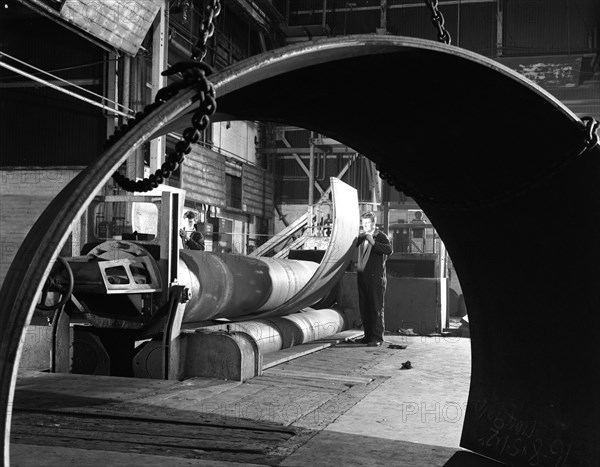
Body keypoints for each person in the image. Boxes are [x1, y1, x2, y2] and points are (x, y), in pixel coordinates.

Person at [354, 211, 393, 346]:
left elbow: (389, 250)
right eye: (363, 223)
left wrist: (374, 243)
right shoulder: (362, 237)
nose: (364, 226)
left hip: (375, 279)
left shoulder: (380, 236)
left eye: (367, 223)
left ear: (373, 223)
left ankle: (377, 338)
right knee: (365, 307)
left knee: (376, 308)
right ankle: (367, 336)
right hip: (363, 277)